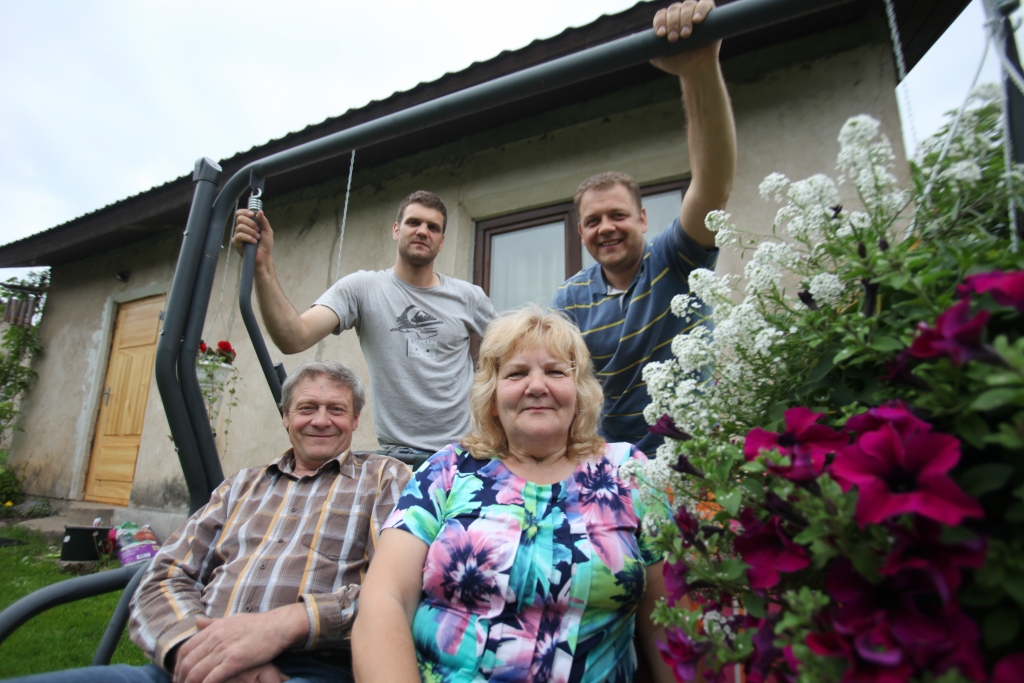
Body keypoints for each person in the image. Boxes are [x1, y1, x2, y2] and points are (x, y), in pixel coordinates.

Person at [14, 361, 410, 683]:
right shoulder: (240, 485)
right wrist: (195, 651)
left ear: (355, 420)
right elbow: (163, 576)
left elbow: (397, 589)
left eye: (336, 410)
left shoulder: (384, 478)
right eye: (307, 408)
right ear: (286, 416)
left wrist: (284, 626)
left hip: (310, 667)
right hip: (193, 664)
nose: (321, 420)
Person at [352, 307, 675, 683]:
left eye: (555, 372)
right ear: (492, 397)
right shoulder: (449, 469)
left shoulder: (628, 472)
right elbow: (384, 600)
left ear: (579, 393)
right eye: (517, 373)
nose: (537, 386)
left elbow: (669, 622)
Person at [552, 0, 737, 455]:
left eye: (618, 215)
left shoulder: (675, 257)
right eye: (592, 221)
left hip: (693, 459)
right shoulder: (570, 299)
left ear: (643, 220)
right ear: (581, 234)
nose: (606, 228)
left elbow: (711, 184)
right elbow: (561, 386)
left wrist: (698, 71)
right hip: (610, 469)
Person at [232, 191, 496, 462]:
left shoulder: (469, 297)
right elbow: (294, 337)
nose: (422, 231)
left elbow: (513, 356)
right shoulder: (363, 289)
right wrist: (262, 266)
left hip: (463, 455)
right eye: (413, 223)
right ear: (396, 230)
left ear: (441, 242)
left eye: (433, 227)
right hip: (398, 460)